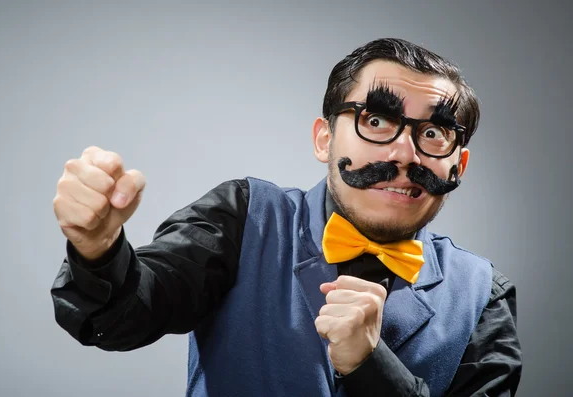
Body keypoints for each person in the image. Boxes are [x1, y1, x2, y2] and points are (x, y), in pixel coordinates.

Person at [50, 38, 522, 396]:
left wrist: (371, 365)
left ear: (457, 167)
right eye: (375, 121)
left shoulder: (484, 295)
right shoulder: (242, 217)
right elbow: (126, 315)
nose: (403, 153)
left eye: (435, 132)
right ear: (324, 140)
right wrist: (98, 250)